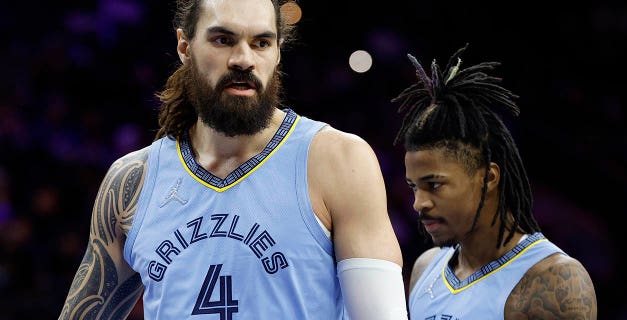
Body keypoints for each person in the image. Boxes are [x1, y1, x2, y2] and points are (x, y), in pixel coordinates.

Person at [58, 0, 408, 319]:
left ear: (277, 52)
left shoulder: (338, 160)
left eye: (261, 42)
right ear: (185, 47)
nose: (244, 59)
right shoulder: (133, 180)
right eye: (223, 40)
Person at [391, 44, 597, 319]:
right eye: (414, 186)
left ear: (487, 177)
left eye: (435, 185)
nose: (419, 203)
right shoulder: (425, 268)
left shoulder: (552, 279)